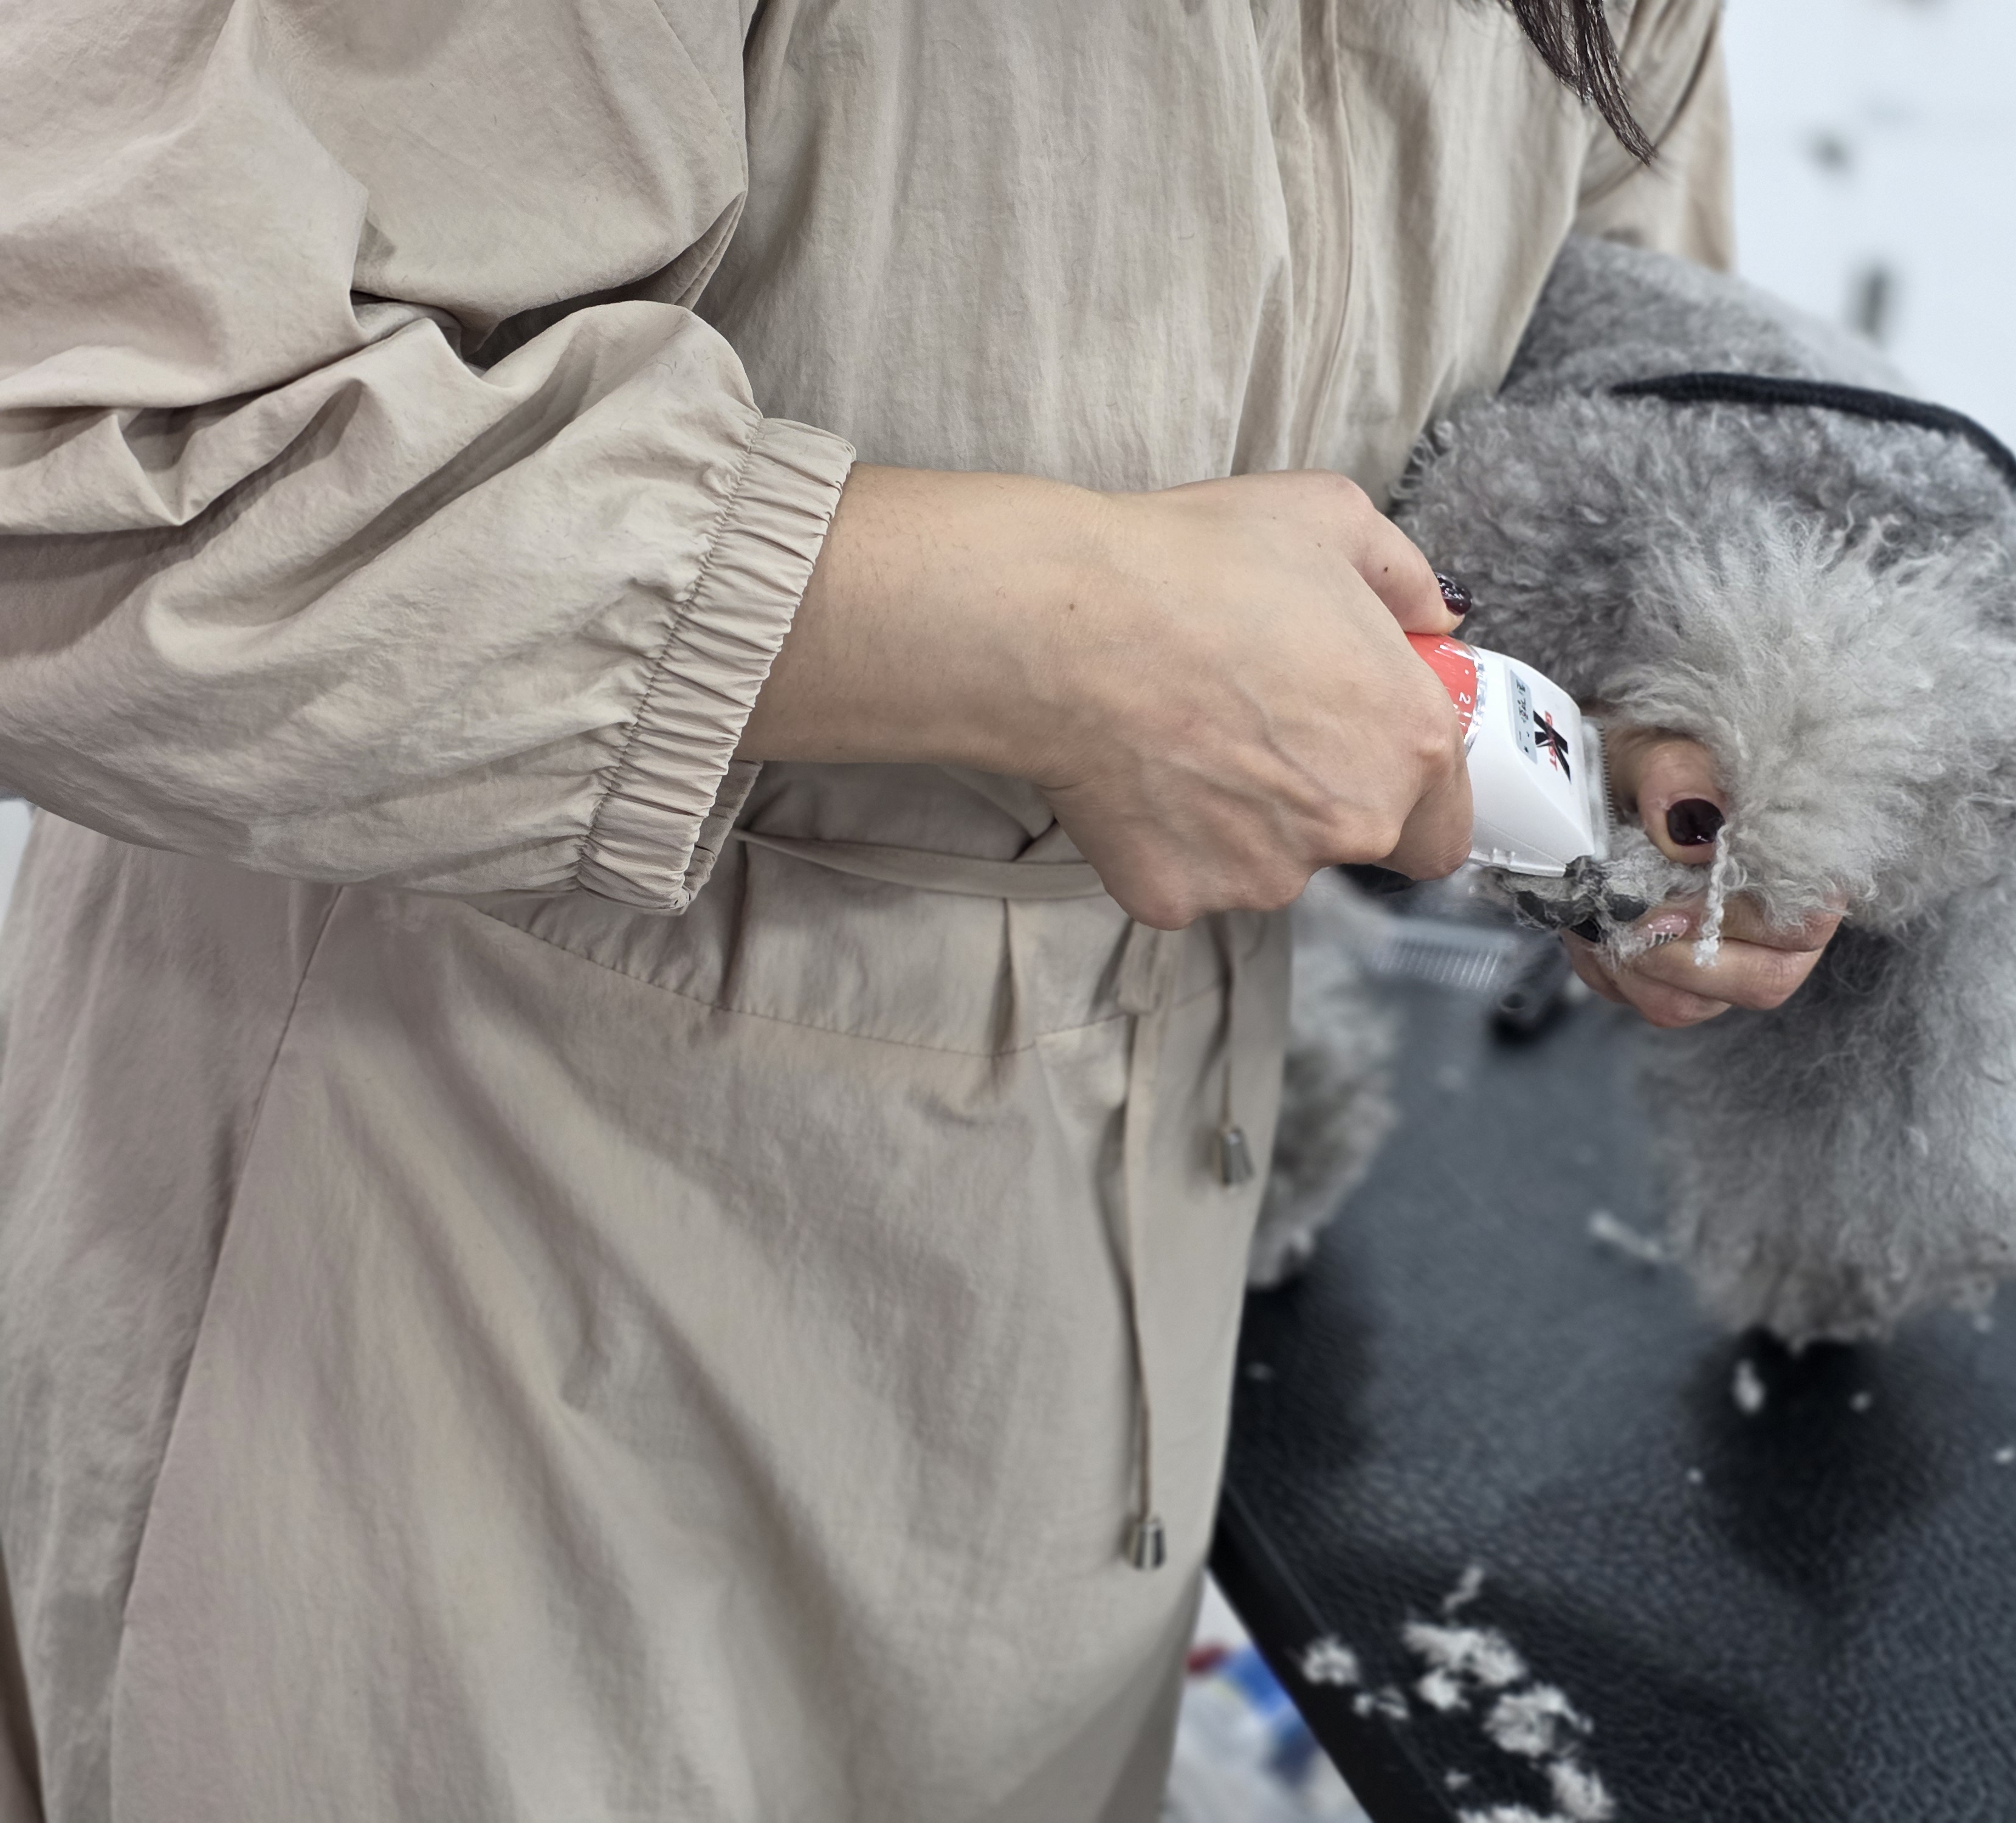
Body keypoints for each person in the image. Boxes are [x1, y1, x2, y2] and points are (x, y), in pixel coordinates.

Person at [0, 2, 1834, 1816]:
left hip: (1086, 1357)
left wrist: (1649, 681)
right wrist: (1060, 638)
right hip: (447, 1294)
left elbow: (1604, 299)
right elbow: (70, 461)